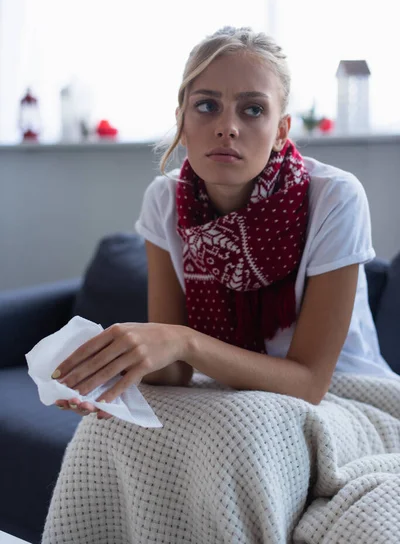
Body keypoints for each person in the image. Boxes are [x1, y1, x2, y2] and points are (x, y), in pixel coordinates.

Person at [53, 25, 398, 419]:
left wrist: (183, 340)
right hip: (226, 389)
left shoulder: (335, 197)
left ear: (281, 132)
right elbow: (176, 372)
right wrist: (110, 374)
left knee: (240, 429)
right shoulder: (163, 200)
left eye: (253, 109)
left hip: (347, 395)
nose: (227, 127)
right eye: (206, 106)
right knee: (108, 428)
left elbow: (310, 382)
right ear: (182, 121)